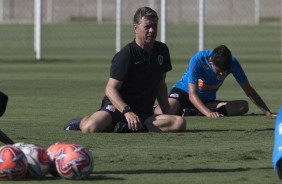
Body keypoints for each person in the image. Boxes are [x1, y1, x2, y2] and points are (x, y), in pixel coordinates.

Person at [64, 7, 186, 133]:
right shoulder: (126, 54)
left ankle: (128, 127)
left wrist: (167, 114)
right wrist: (127, 111)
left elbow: (160, 84)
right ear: (135, 28)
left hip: (143, 113)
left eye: (155, 26)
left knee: (178, 123)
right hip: (118, 108)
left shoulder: (162, 50)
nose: (152, 30)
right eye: (147, 26)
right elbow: (110, 89)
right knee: (91, 127)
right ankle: (81, 122)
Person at [155, 45, 276, 118]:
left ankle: (194, 112)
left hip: (207, 102)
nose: (222, 74)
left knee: (242, 106)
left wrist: (267, 112)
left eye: (225, 71)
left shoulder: (232, 62)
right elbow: (192, 95)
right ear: (211, 61)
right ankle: (155, 108)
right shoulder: (198, 60)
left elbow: (248, 90)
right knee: (165, 112)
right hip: (182, 94)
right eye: (219, 71)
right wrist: (208, 113)